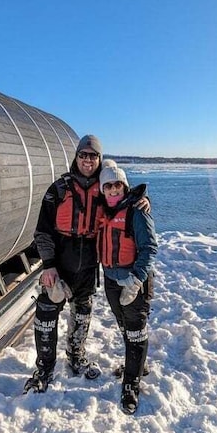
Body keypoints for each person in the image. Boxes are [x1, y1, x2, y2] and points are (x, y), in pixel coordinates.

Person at [25, 135, 149, 393]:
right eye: (84, 155)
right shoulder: (59, 189)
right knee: (47, 310)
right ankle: (45, 366)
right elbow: (42, 231)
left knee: (82, 310)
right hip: (60, 257)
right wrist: (48, 264)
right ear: (76, 157)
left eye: (93, 156)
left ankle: (76, 355)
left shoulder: (104, 190)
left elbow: (123, 200)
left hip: (88, 261)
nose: (88, 160)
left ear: (99, 159)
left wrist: (144, 202)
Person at [97, 159, 157, 414]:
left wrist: (136, 279)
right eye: (108, 185)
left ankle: (131, 383)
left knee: (135, 330)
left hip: (133, 280)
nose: (113, 189)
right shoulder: (103, 210)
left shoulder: (136, 210)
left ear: (124, 186)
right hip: (111, 278)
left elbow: (149, 247)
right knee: (123, 325)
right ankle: (138, 365)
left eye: (117, 185)